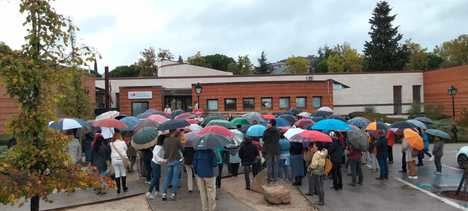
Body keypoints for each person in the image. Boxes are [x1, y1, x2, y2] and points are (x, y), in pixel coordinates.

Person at [161, 129, 183, 200]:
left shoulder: (165, 140)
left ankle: (164, 194)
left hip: (168, 161)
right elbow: (182, 149)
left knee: (167, 178)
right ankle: (173, 194)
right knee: (175, 178)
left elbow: (164, 150)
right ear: (173, 132)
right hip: (176, 160)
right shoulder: (177, 140)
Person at [110, 129, 129, 193]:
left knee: (117, 173)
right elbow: (126, 149)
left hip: (114, 160)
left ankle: (118, 189)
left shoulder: (111, 144)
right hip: (121, 159)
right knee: (123, 172)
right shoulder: (123, 142)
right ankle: (124, 188)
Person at [263, 119, 281, 183]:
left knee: (269, 165)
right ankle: (275, 178)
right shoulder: (278, 131)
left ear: (271, 124)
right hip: (276, 150)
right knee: (275, 165)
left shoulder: (267, 131)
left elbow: (264, 139)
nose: (267, 124)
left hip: (268, 150)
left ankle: (269, 178)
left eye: (268, 123)